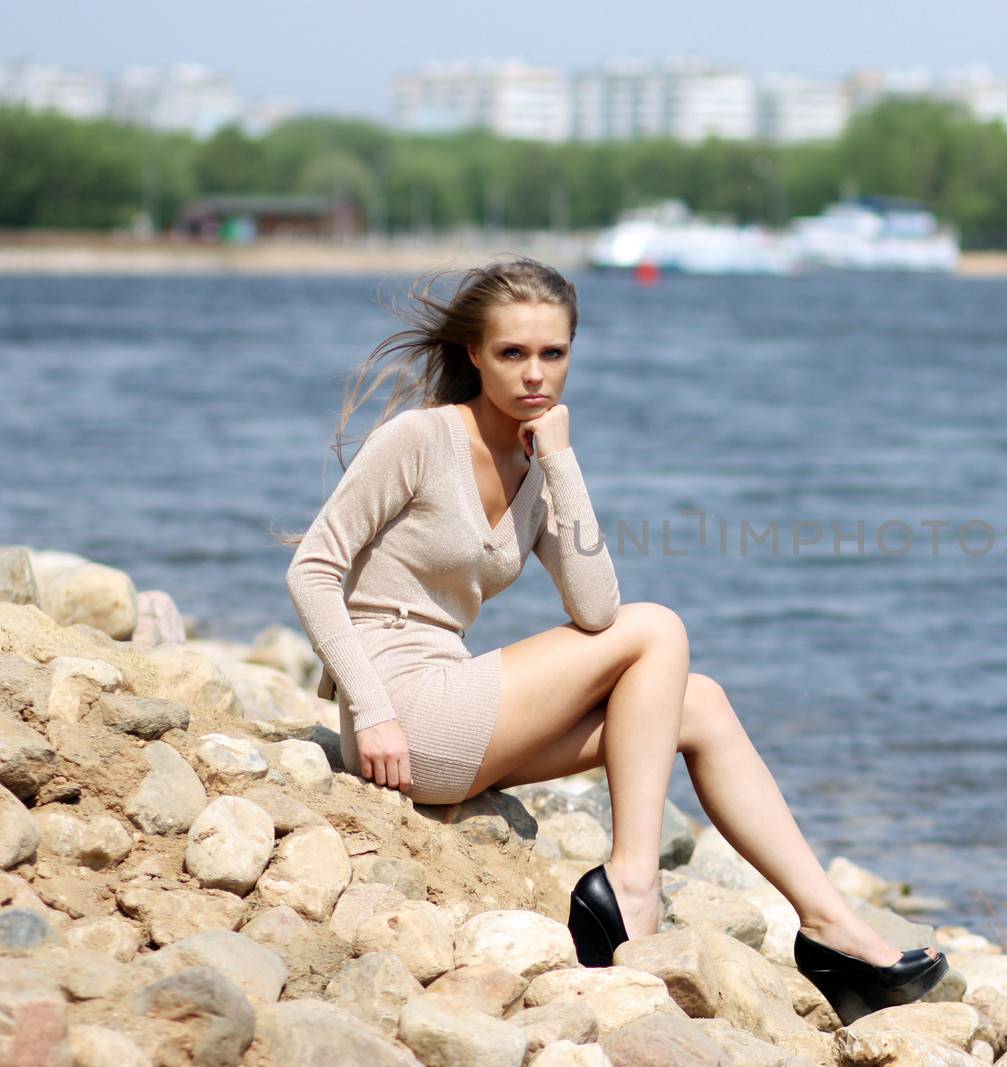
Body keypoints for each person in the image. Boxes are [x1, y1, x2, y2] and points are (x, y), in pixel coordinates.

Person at [280, 258, 945, 1022]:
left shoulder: (535, 466)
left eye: (553, 354)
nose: (536, 374)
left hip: (454, 716)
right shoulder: (420, 438)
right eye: (513, 354)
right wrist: (375, 710)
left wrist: (559, 461)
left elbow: (597, 608)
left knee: (700, 703)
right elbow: (312, 571)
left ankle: (831, 928)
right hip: (401, 709)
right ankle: (634, 886)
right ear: (474, 354)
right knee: (659, 628)